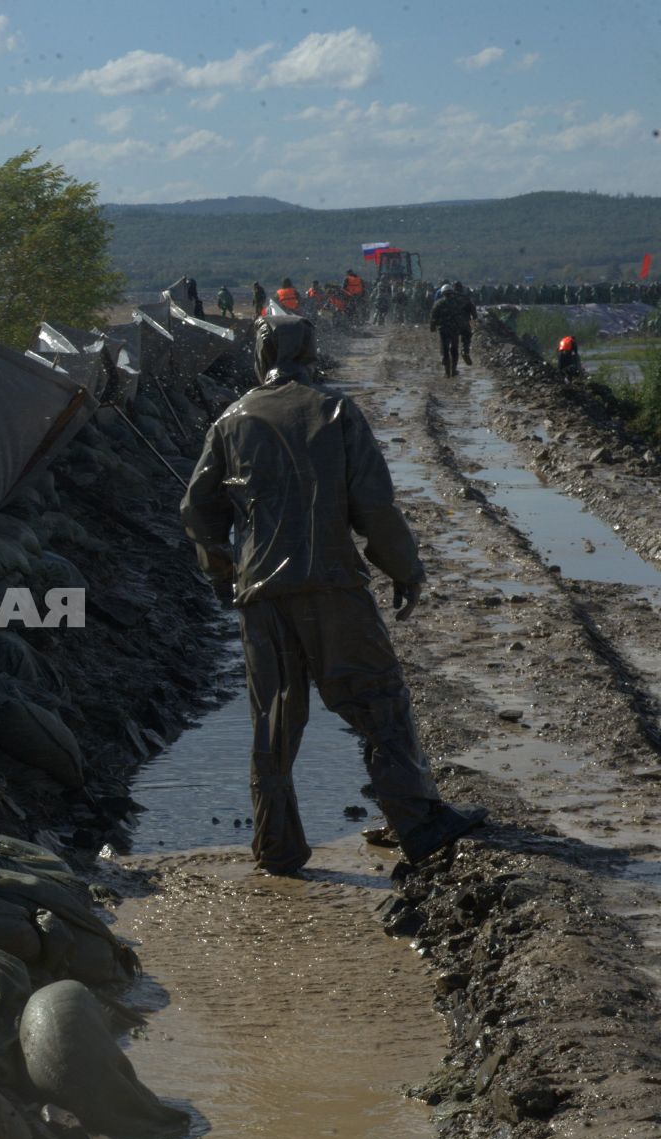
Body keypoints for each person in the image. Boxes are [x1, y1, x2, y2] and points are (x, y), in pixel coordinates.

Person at [180, 312, 485, 876]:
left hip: (260, 596)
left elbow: (198, 509)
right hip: (333, 588)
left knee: (273, 719)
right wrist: (404, 569)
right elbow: (373, 505)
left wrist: (222, 569)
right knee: (378, 701)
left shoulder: (231, 420)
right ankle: (418, 822)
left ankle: (277, 847)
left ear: (261, 353)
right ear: (310, 351)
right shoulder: (337, 410)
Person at [428, 287, 463, 377]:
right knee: (454, 349)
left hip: (443, 329)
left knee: (445, 349)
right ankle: (454, 370)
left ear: (443, 293)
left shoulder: (438, 303)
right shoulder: (457, 303)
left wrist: (432, 327)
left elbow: (433, 316)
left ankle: (447, 371)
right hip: (455, 329)